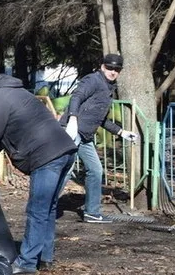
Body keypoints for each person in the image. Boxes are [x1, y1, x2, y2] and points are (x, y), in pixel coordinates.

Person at [0, 67, 78, 275]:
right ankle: (45, 257)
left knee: (37, 210)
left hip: (47, 155)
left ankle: (27, 262)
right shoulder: (17, 92)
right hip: (65, 150)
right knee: (48, 208)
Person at [59, 53, 139, 223]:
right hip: (72, 131)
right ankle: (43, 207)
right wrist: (72, 119)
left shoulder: (108, 87)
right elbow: (76, 97)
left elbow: (99, 118)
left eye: (116, 69)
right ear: (103, 66)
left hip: (85, 135)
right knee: (65, 170)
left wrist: (121, 132)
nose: (112, 71)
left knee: (95, 170)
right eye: (109, 68)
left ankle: (92, 213)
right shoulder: (93, 80)